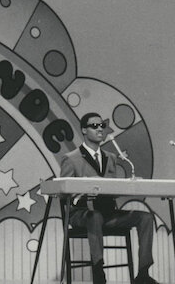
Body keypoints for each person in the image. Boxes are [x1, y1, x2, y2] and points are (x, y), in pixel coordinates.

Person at [60, 113, 161, 284]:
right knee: (95, 217)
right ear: (84, 130)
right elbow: (63, 192)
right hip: (82, 214)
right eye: (94, 126)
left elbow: (111, 188)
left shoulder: (111, 157)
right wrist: (84, 187)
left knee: (145, 217)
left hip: (108, 213)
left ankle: (143, 274)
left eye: (102, 125)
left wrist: (128, 185)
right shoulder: (71, 159)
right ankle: (99, 273)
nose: (100, 129)